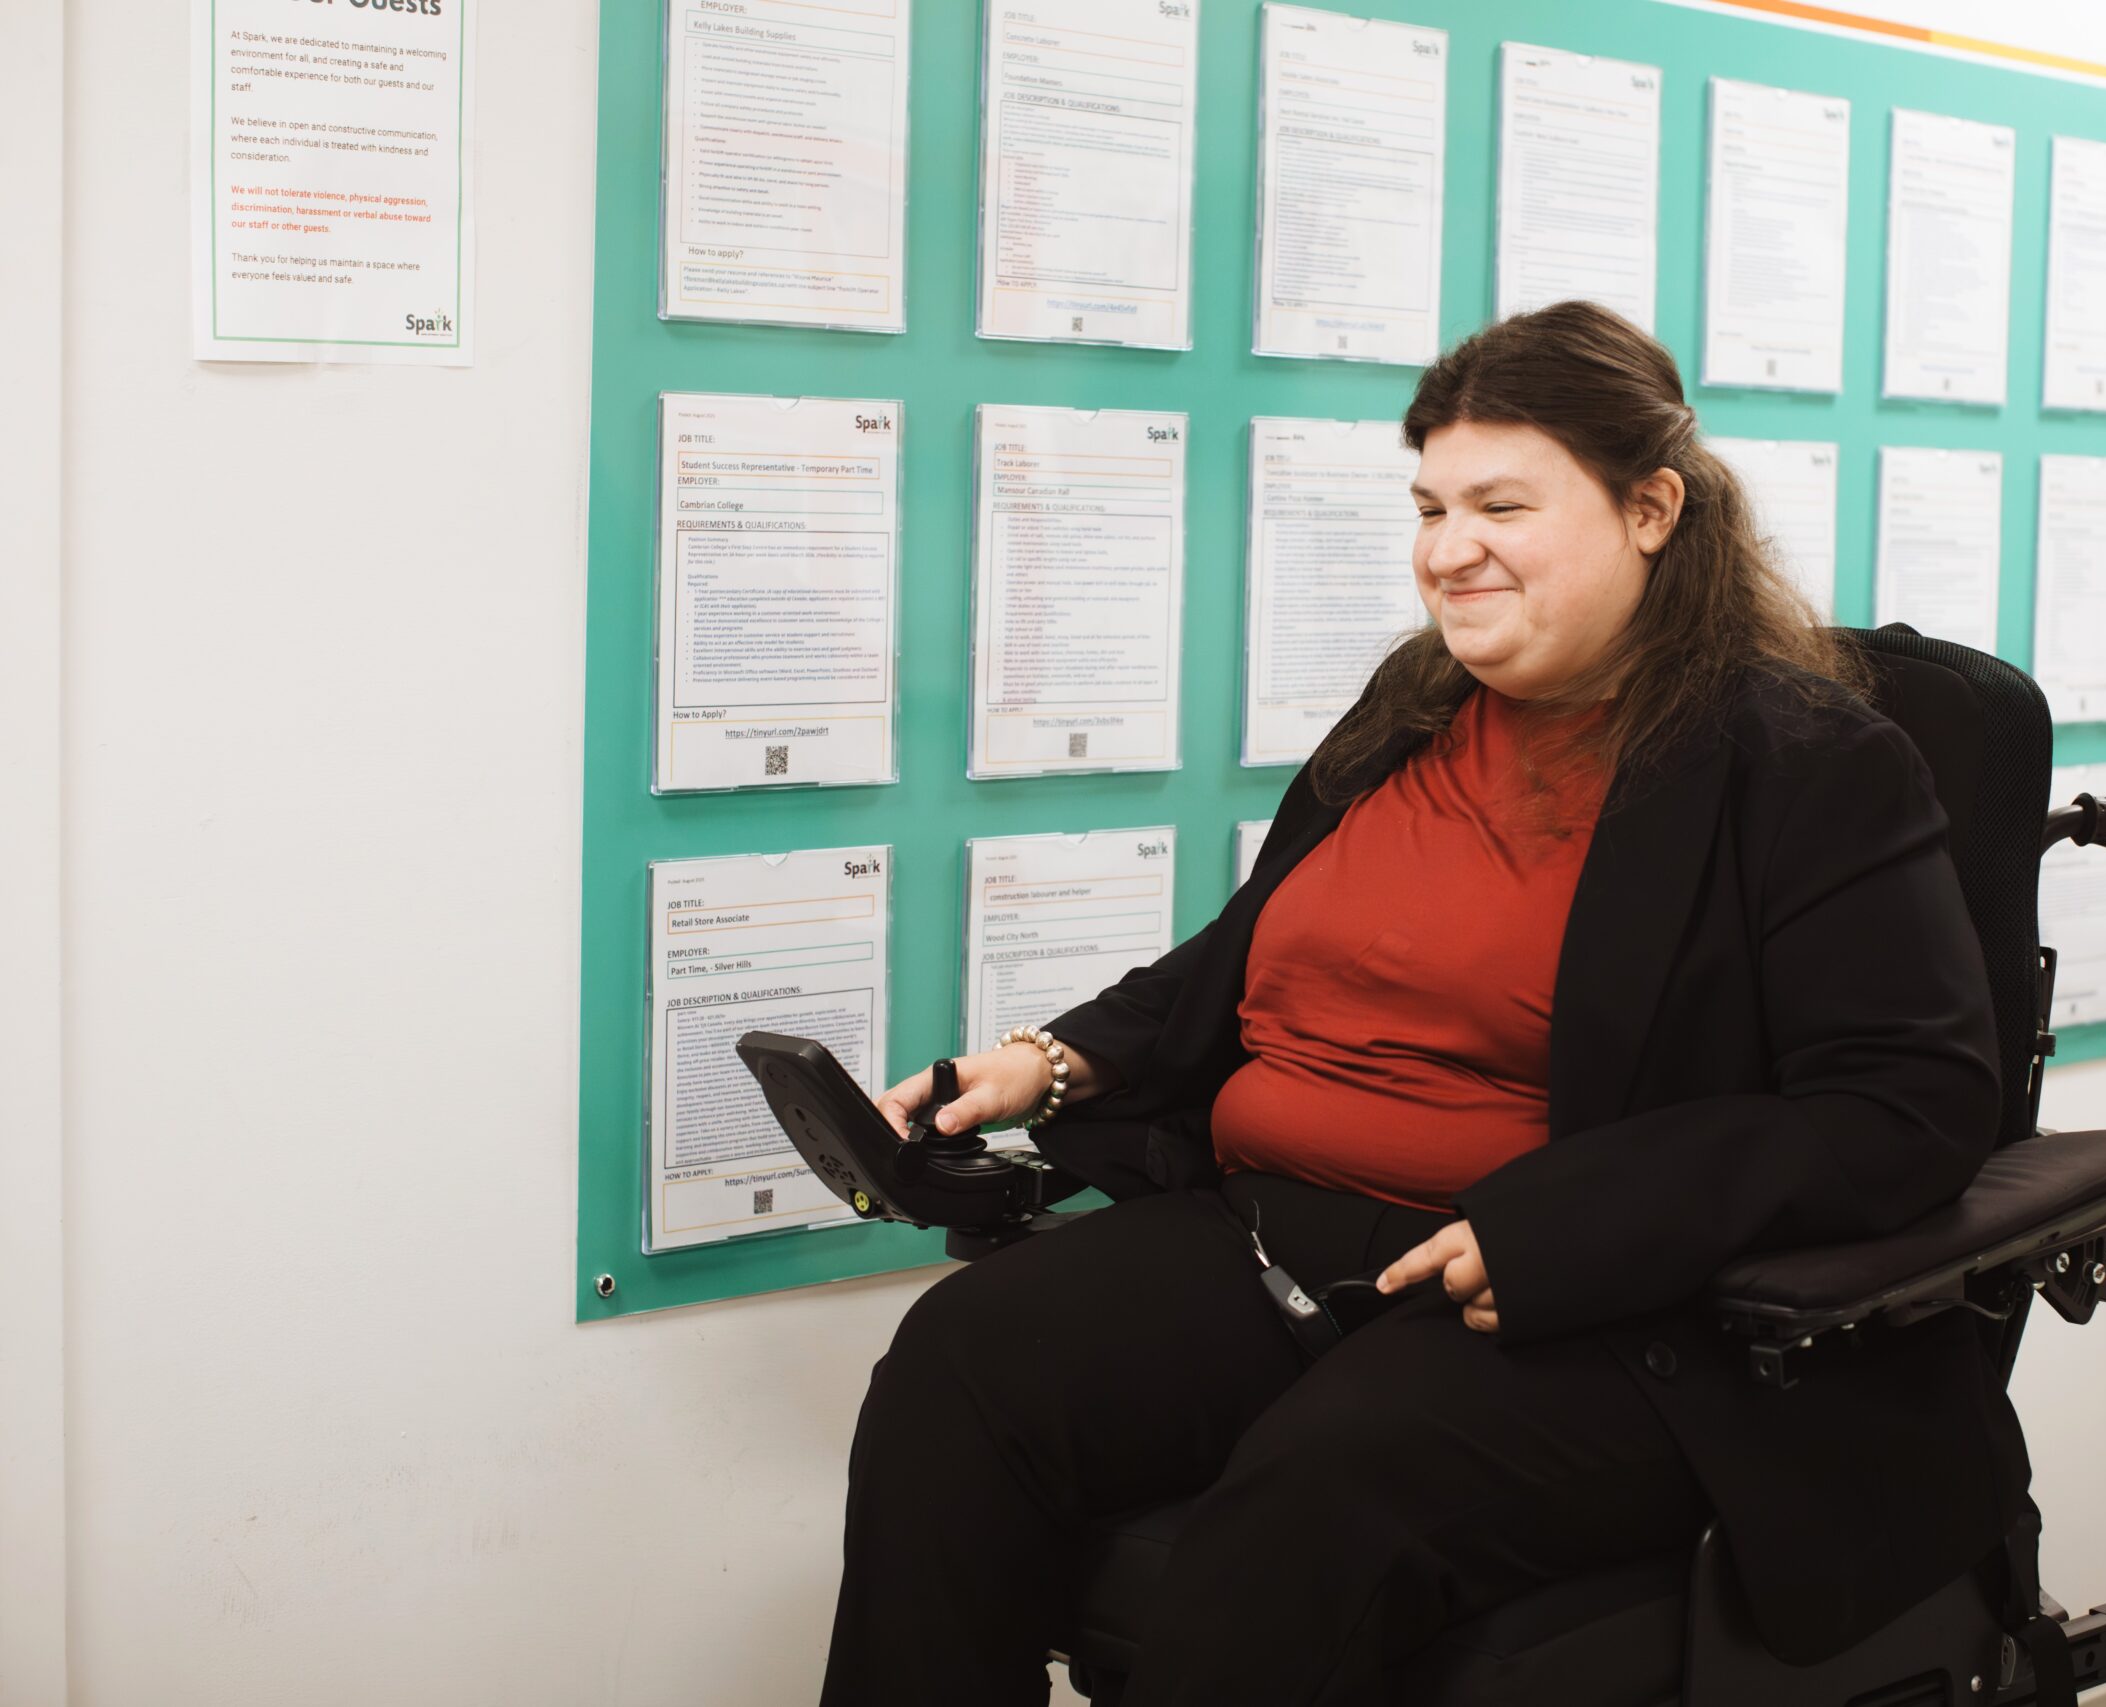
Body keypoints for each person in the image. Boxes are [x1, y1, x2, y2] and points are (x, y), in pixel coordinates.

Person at [822, 300, 2023, 1707]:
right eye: (1432, 507)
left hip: (1584, 1303)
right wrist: (1052, 1061)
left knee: (1314, 1500)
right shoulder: (1417, 701)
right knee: (959, 1371)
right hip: (1273, 1235)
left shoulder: (1806, 762)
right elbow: (1258, 953)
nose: (1449, 551)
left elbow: (1907, 1106)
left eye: (1501, 506)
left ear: (1650, 511)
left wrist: (1568, 1228)